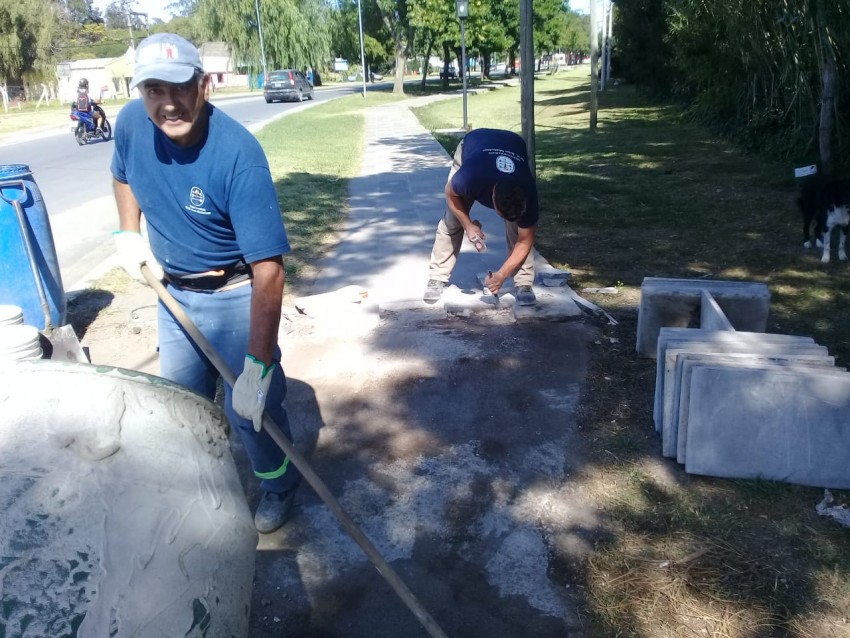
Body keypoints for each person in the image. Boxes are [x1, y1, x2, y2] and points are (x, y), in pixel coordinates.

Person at [110, 33, 302, 534]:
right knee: (183, 404)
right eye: (154, 89)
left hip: (236, 297)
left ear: (205, 86)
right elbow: (122, 175)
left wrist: (258, 366)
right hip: (172, 294)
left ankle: (279, 486)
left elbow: (270, 270)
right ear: (140, 91)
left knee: (253, 415)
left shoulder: (238, 155)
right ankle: (204, 486)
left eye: (179, 88)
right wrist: (128, 234)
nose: (168, 104)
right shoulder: (132, 123)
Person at [424, 127, 539, 305]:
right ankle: (437, 278)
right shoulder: (469, 178)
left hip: (513, 143)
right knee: (452, 222)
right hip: (474, 145)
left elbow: (525, 241)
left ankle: (524, 282)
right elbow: (450, 194)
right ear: (491, 198)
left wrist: (502, 274)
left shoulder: (528, 193)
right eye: (502, 215)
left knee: (519, 229)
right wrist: (468, 225)